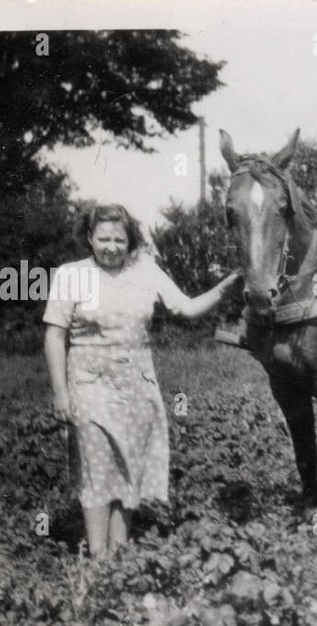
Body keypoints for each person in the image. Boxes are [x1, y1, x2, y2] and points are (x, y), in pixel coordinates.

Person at [43, 203, 242, 556]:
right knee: (95, 469)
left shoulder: (146, 270)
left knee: (129, 467)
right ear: (89, 238)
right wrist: (60, 392)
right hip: (89, 385)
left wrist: (229, 285)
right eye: (103, 238)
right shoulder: (71, 275)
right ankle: (97, 558)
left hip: (137, 384)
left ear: (130, 241)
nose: (111, 246)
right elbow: (55, 336)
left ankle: (119, 554)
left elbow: (186, 308)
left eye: (119, 239)